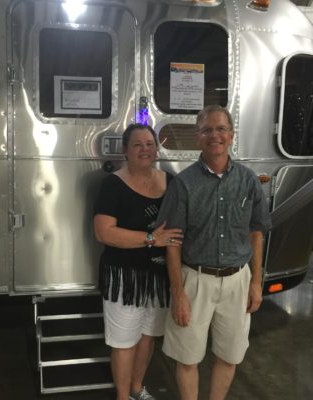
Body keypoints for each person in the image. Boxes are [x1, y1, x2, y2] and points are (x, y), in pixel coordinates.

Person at [156, 105, 272, 400]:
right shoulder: (183, 184)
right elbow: (172, 242)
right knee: (187, 358)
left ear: (231, 135)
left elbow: (256, 233)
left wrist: (256, 282)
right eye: (206, 130)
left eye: (221, 129)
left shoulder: (248, 180)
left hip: (238, 281)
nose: (214, 135)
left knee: (229, 356)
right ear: (198, 137)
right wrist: (178, 293)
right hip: (195, 281)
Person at [94, 123, 183, 400]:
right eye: (137, 144)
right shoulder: (113, 185)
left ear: (156, 149)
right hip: (125, 277)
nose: (145, 150)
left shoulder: (169, 181)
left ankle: (136, 388)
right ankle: (123, 396)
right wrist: (151, 239)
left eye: (149, 144)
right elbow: (104, 233)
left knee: (148, 336)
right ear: (125, 150)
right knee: (124, 341)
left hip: (159, 276)